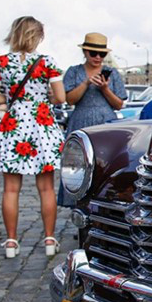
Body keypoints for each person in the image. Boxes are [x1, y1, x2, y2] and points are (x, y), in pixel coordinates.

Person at [0, 16, 66, 258]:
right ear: (38, 36)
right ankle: (50, 240)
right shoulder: (47, 62)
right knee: (46, 188)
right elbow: (60, 98)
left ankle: (11, 243)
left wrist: (14, 99)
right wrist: (40, 96)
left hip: (14, 125)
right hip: (41, 124)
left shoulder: (0, 63)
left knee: (10, 189)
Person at [61, 33, 127, 204]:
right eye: (93, 53)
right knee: (80, 166)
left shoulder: (112, 73)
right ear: (85, 52)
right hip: (81, 120)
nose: (98, 57)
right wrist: (86, 83)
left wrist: (105, 89)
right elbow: (70, 99)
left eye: (102, 54)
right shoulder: (74, 72)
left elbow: (119, 104)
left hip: (106, 122)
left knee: (106, 166)